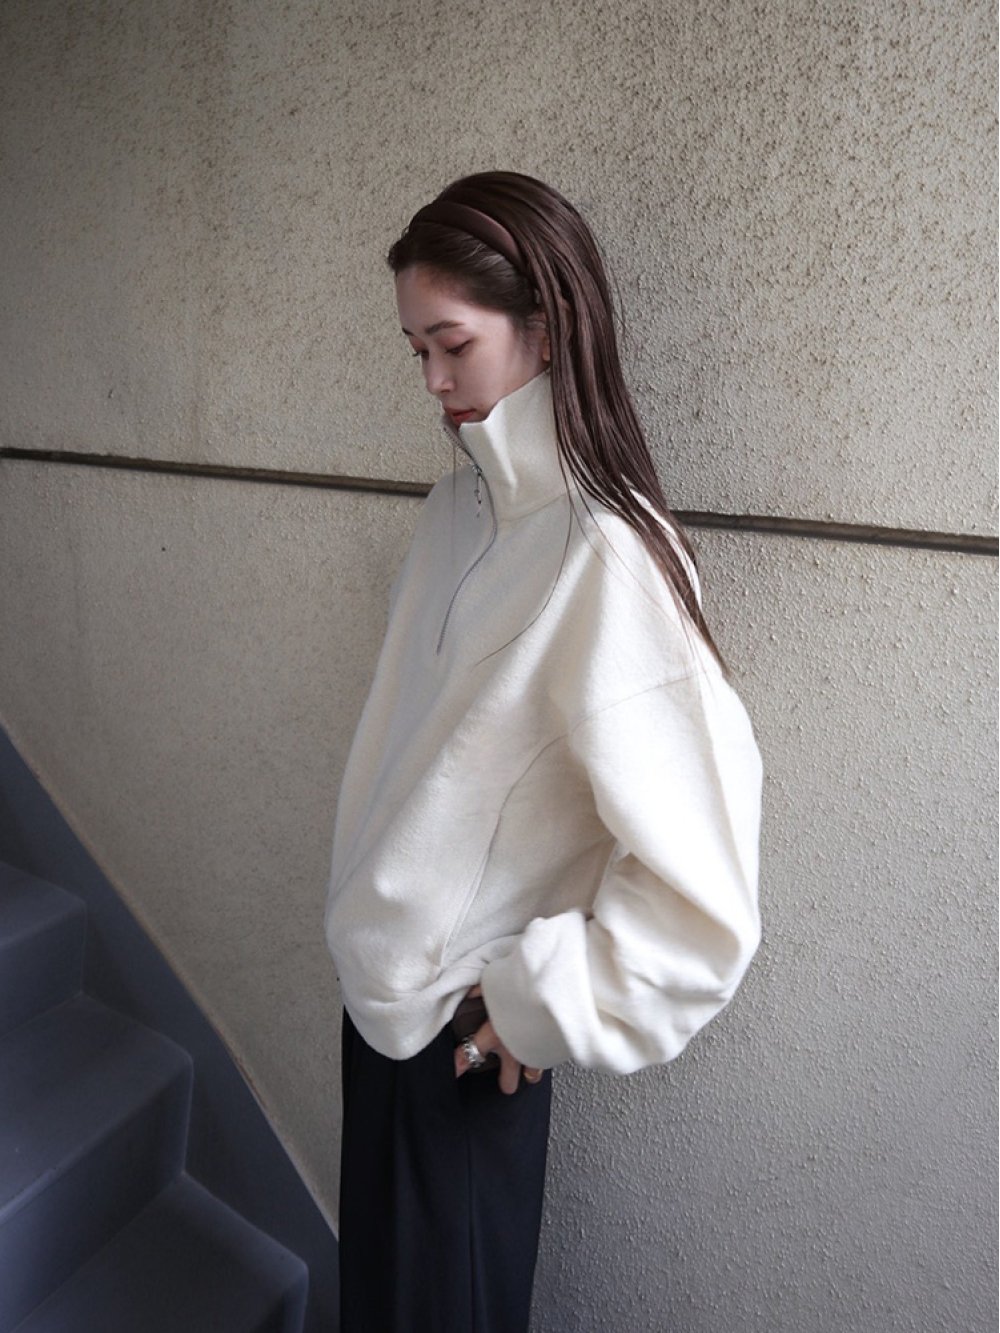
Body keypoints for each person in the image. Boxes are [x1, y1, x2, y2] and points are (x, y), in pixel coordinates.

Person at [325, 171, 763, 1332]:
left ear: (547, 326)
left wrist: (534, 1007)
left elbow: (704, 902)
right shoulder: (452, 515)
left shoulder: (607, 557)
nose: (432, 381)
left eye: (452, 345)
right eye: (415, 350)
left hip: (463, 1051)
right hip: (377, 1014)